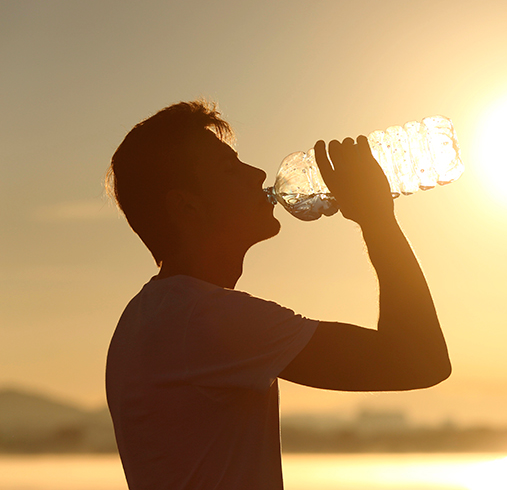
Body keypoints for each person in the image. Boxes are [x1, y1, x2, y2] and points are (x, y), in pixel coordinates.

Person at [104, 100, 451, 490]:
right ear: (187, 206)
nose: (257, 174)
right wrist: (376, 217)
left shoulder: (147, 317)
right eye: (230, 170)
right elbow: (420, 361)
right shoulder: (203, 319)